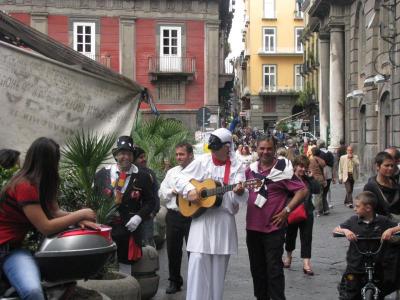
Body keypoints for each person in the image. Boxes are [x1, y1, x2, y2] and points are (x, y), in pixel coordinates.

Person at [0, 137, 98, 300]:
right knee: (32, 291)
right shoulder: (25, 185)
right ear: (50, 162)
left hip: (13, 251)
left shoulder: (41, 183)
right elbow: (45, 226)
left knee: (34, 292)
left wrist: (78, 220)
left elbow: (54, 213)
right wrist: (80, 214)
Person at [174, 128, 248, 300]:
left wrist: (238, 192)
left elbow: (242, 198)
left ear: (227, 147)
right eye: (212, 149)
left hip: (223, 222)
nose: (214, 152)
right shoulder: (202, 161)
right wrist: (190, 190)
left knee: (217, 271)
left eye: (217, 148)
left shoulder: (237, 166)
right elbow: (179, 179)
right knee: (197, 262)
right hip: (202, 221)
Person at [245, 135, 308, 300]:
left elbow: (302, 191)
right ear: (256, 149)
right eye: (262, 148)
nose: (265, 152)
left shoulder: (283, 170)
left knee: (274, 270)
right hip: (252, 227)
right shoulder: (250, 170)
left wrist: (286, 211)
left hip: (273, 228)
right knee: (257, 270)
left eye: (269, 149)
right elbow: (244, 191)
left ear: (274, 150)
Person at [94, 136, 156, 274]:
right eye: (122, 153)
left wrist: (139, 217)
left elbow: (150, 201)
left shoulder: (142, 176)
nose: (125, 157)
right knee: (104, 263)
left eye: (128, 153)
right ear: (116, 155)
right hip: (105, 227)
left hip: (129, 228)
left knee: (125, 264)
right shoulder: (102, 174)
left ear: (133, 156)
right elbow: (93, 199)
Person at [333, 191, 400, 299]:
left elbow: (398, 226)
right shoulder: (353, 221)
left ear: (368, 208)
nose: (355, 209)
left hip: (378, 263)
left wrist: (391, 230)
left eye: (358, 206)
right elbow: (336, 230)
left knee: (382, 289)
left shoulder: (383, 221)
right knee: (350, 293)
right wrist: (346, 231)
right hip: (355, 264)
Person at [159, 142, 193, 294]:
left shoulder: (198, 171)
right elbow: (161, 193)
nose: (179, 157)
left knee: (194, 251)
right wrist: (173, 192)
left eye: (182, 154)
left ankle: (195, 281)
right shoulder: (171, 172)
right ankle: (174, 281)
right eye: (177, 154)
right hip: (174, 216)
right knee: (173, 250)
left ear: (190, 155)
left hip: (193, 216)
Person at [283, 155, 321, 276]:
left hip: (307, 212)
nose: (302, 169)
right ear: (295, 166)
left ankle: (306, 263)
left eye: (304, 167)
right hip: (292, 212)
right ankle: (288, 257)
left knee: (307, 237)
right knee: (290, 236)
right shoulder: (289, 178)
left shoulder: (307, 179)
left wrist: (311, 178)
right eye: (300, 166)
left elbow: (317, 190)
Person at [132, 146, 160, 247]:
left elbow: (156, 194)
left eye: (144, 156)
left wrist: (153, 212)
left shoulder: (150, 173)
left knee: (148, 247)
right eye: (140, 157)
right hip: (131, 218)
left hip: (147, 217)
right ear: (133, 160)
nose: (144, 159)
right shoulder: (129, 175)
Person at [363, 152, 400, 217]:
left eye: (392, 165)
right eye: (387, 165)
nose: (390, 168)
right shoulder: (370, 187)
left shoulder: (396, 183)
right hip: (381, 225)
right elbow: (367, 211)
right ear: (377, 166)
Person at [317, 140, 335, 213]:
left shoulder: (318, 154)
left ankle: (323, 208)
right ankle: (325, 207)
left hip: (321, 173)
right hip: (329, 173)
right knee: (326, 191)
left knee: (321, 192)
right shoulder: (330, 153)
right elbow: (333, 165)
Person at [308, 147, 327, 216]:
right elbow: (324, 171)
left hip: (313, 179)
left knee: (315, 195)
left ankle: (317, 209)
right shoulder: (321, 160)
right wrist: (325, 179)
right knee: (320, 195)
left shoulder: (310, 160)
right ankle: (319, 210)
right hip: (320, 178)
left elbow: (308, 171)